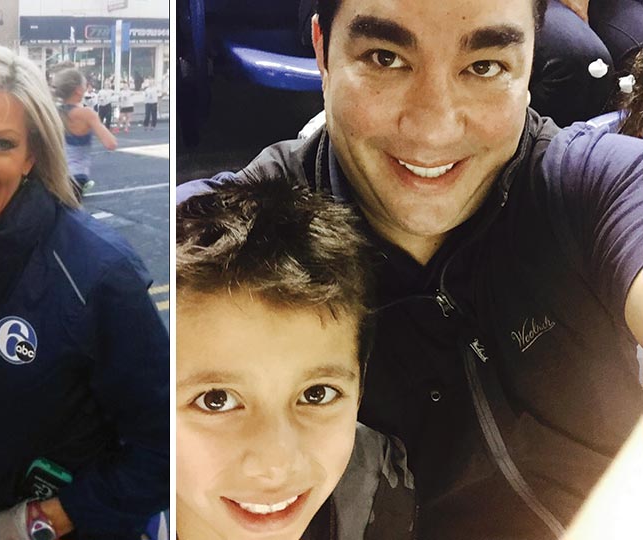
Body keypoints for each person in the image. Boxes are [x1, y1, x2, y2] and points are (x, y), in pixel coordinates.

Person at [181, 0, 643, 537]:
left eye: (485, 66)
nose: (433, 128)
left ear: (531, 66)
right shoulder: (230, 238)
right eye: (384, 57)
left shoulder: (597, 189)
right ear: (322, 54)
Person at [0, 44, 169, 540]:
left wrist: (45, 520)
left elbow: (164, 447)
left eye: (1, 144)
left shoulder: (98, 272)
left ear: (32, 154)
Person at [176, 176, 415, 539]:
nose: (276, 466)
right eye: (216, 400)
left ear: (361, 387)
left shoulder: (382, 489)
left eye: (317, 394)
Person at [51, 67, 118, 196]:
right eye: (85, 84)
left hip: (55, 175)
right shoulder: (86, 114)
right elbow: (111, 143)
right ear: (78, 90)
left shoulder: (54, 111)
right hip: (76, 176)